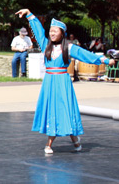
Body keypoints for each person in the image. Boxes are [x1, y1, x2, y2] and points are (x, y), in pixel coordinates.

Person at [15, 8, 115, 154]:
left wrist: (105, 60)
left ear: (62, 33)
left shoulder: (69, 47)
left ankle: (71, 139)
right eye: (51, 31)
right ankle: (60, 141)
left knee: (64, 109)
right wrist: (29, 15)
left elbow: (85, 55)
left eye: (55, 31)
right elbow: (38, 31)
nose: (52, 33)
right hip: (49, 82)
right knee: (52, 109)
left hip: (62, 82)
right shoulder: (45, 45)